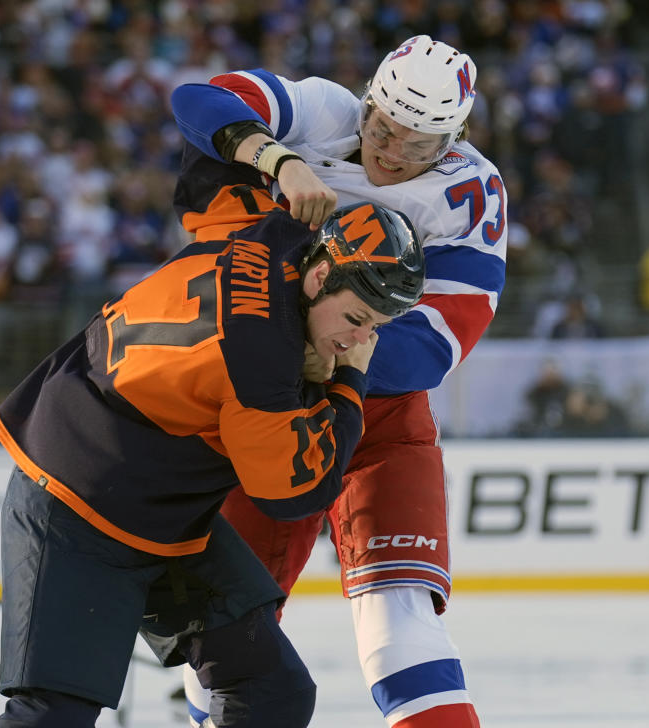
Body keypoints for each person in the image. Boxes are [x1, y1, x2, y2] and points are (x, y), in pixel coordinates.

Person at [170, 33, 507, 727]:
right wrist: (279, 157)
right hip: (270, 407)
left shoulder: (472, 193)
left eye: (416, 146)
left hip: (371, 406)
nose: (389, 152)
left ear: (454, 138)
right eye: (384, 127)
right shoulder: (323, 111)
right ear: (370, 103)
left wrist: (314, 357)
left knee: (400, 623)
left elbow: (438, 344)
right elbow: (196, 102)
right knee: (226, 631)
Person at [0, 195, 426, 728]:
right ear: (320, 276)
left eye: (374, 328)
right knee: (51, 714)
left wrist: (276, 159)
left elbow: (203, 155)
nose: (360, 341)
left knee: (273, 691)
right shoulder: (261, 360)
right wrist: (349, 383)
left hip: (157, 508)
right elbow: (296, 493)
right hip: (72, 497)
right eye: (357, 319)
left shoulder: (274, 232)